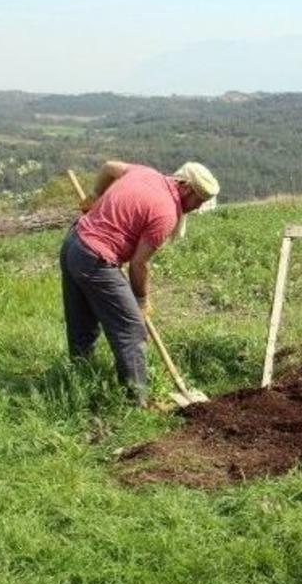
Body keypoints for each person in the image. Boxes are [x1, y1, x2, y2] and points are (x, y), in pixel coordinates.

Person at [60, 160, 219, 404]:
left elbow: (108, 167)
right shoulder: (165, 213)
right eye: (198, 201)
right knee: (131, 331)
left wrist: (96, 195)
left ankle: (79, 384)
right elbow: (138, 264)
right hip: (95, 259)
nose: (197, 207)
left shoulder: (146, 173)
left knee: (81, 325)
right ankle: (135, 403)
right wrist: (142, 301)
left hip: (74, 243)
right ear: (186, 188)